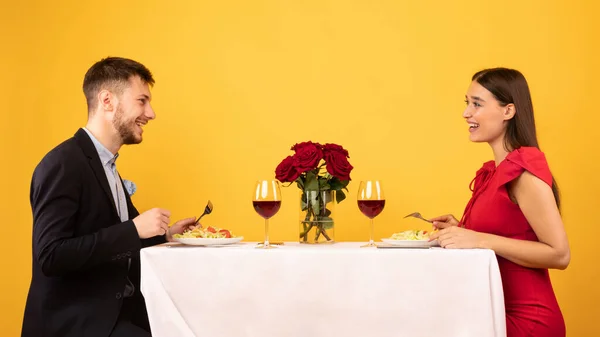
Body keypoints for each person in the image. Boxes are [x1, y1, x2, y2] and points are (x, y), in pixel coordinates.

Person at [22, 57, 197, 337]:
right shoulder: (63, 164)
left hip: (117, 315)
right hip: (78, 324)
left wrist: (164, 236)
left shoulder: (106, 166)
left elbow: (113, 236)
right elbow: (51, 255)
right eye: (142, 101)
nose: (151, 113)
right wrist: (134, 229)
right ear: (107, 101)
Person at [429, 68, 570, 337]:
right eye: (467, 103)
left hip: (527, 322)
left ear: (508, 111)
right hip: (493, 314)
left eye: (477, 104)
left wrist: (478, 239)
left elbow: (560, 254)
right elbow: (508, 232)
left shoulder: (523, 172)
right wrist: (459, 230)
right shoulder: (495, 172)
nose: (466, 113)